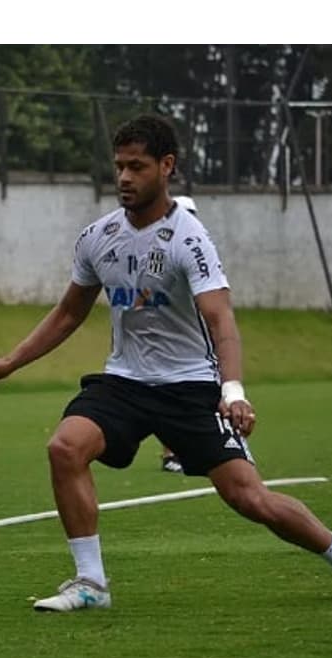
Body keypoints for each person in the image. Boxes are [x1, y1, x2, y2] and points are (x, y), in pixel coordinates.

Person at [0, 113, 332, 612]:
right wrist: (11, 361)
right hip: (125, 383)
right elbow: (70, 313)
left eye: (137, 166)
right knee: (65, 448)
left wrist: (233, 390)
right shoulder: (97, 237)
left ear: (166, 166)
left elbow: (222, 322)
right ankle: (91, 584)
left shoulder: (189, 240)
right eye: (119, 167)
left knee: (250, 499)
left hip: (190, 387)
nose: (125, 178)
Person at [158, 195, 197, 474]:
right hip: (164, 341)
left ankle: (186, 452)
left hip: (192, 341)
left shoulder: (197, 248)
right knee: (166, 398)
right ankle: (172, 454)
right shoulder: (160, 252)